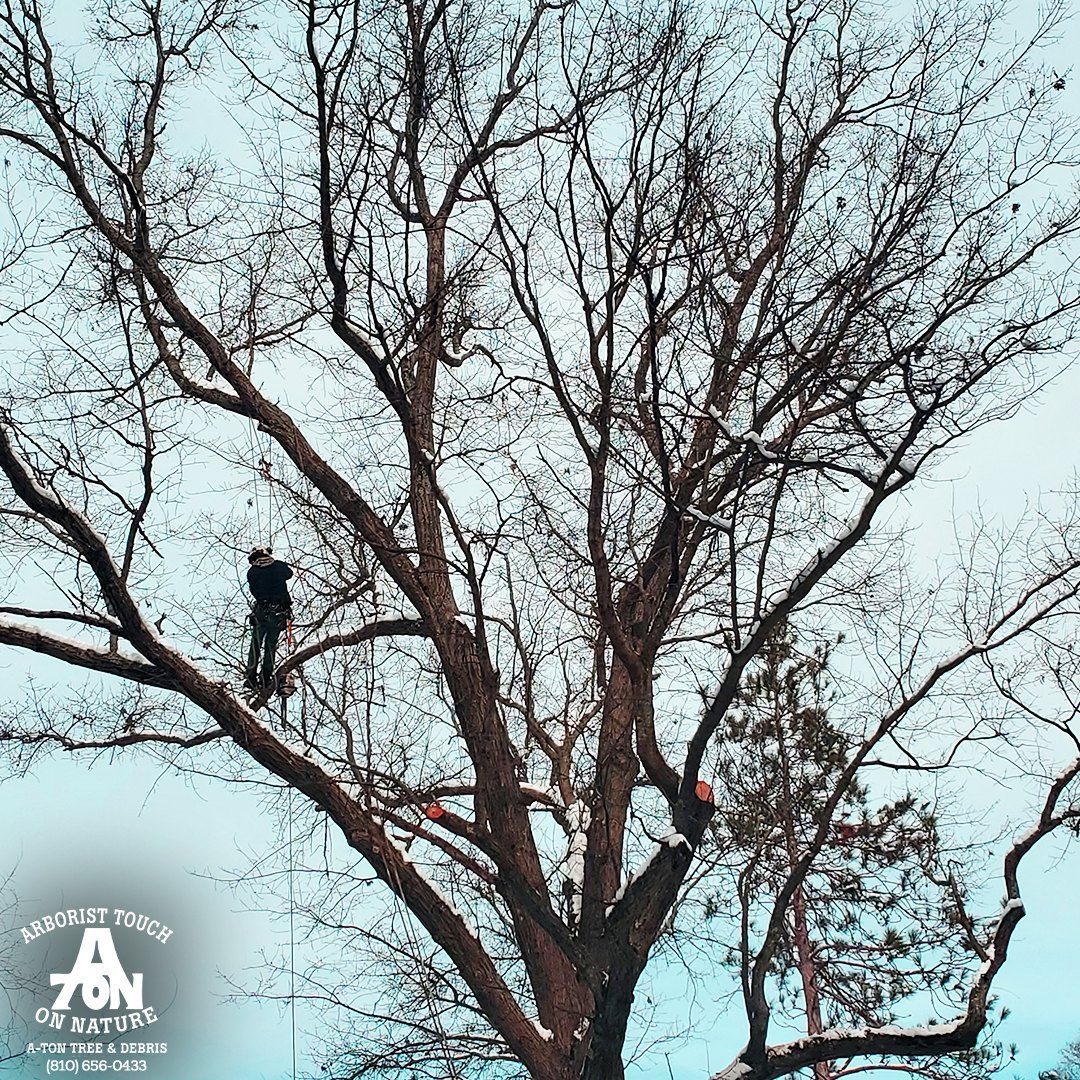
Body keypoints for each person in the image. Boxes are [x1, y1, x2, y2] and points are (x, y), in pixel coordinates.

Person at [244, 546, 293, 691]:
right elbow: (289, 573)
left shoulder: (253, 572)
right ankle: (266, 677)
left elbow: (254, 589)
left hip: (262, 612)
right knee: (270, 647)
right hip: (278, 613)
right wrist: (274, 561)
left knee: (255, 646)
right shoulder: (278, 566)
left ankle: (251, 678)